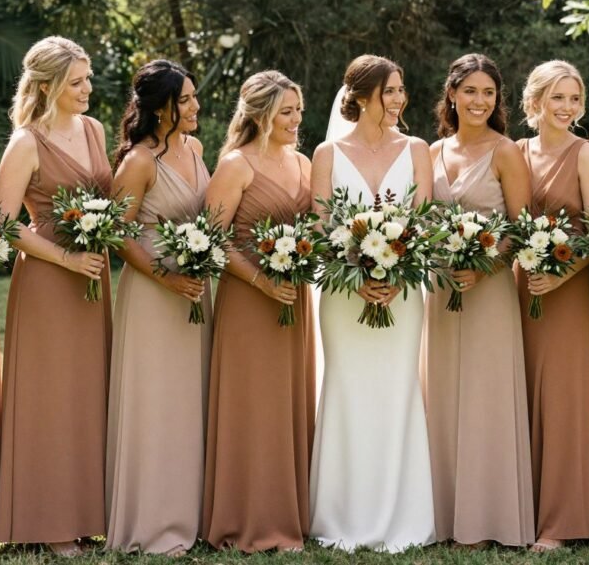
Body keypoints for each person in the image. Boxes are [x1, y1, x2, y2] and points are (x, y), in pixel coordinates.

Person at [308, 54, 436, 552]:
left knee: (397, 390)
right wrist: (356, 278)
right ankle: (341, 514)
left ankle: (403, 515)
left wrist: (398, 272)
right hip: (344, 298)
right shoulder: (327, 153)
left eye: (402, 90)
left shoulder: (417, 149)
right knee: (347, 390)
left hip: (404, 294)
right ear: (360, 97)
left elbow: (423, 222)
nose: (399, 100)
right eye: (389, 91)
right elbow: (321, 232)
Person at [0, 36, 111, 557]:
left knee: (88, 396)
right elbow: (1, 225)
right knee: (51, 399)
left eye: (88, 78)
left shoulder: (94, 129)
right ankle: (49, 521)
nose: (88, 89)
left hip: (94, 277)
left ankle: (86, 515)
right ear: (47, 86)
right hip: (47, 280)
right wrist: (65, 258)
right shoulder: (26, 143)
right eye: (77, 82)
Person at [421, 53, 535, 548]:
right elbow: (421, 221)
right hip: (441, 287)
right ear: (451, 94)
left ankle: (491, 519)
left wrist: (484, 265)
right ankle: (445, 516)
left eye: (489, 93)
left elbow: (520, 226)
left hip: (489, 292)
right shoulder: (430, 153)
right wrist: (442, 256)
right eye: (470, 91)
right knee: (443, 394)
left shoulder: (506, 152)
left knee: (488, 397)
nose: (480, 101)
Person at [201, 70, 315, 553]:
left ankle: (291, 514)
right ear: (260, 114)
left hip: (294, 299)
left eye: (299, 111)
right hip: (249, 299)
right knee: (252, 406)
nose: (295, 120)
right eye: (286, 112)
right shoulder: (235, 165)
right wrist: (261, 281)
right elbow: (212, 240)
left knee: (288, 402)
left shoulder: (305, 163)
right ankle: (244, 520)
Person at [105, 60, 210, 556]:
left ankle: (192, 513)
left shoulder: (197, 148)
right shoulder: (140, 162)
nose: (194, 107)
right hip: (152, 293)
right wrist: (166, 277)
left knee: (191, 400)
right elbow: (118, 234)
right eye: (184, 100)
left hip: (196, 292)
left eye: (193, 97)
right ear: (160, 108)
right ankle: (150, 522)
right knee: (156, 403)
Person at [514, 60, 589, 552]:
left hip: (566, 289)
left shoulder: (585, 154)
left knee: (563, 398)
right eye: (558, 98)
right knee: (522, 393)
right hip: (518, 285)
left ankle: (563, 521)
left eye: (575, 99)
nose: (569, 108)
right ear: (535, 102)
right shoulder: (515, 152)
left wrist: (558, 275)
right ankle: (519, 511)